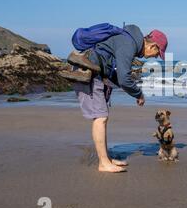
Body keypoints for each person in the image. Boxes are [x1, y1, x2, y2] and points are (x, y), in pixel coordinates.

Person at [70, 24, 168, 173]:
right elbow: (124, 78)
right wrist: (138, 94)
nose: (154, 57)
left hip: (93, 70)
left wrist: (133, 90)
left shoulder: (128, 41)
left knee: (102, 116)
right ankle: (103, 163)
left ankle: (106, 159)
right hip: (87, 71)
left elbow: (116, 74)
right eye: (156, 53)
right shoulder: (128, 44)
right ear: (153, 45)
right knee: (100, 117)